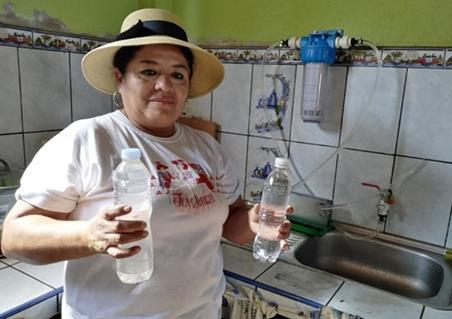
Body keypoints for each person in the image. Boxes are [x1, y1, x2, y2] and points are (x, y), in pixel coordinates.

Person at [1, 8, 291, 319]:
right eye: (148, 72)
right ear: (119, 78)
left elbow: (230, 221)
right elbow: (15, 237)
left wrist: (253, 222)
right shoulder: (87, 140)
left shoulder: (207, 148)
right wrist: (89, 235)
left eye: (178, 75)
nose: (165, 86)